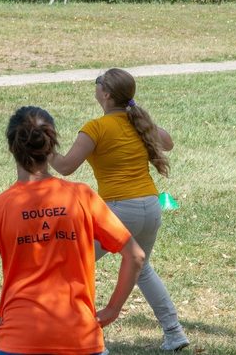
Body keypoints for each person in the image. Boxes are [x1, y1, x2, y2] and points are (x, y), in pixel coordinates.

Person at [0, 106, 145, 355]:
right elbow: (135, 255)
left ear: (12, 148)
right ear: (52, 145)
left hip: (19, 340)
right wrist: (112, 309)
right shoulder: (82, 196)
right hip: (79, 338)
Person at [50, 68, 190, 352]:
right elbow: (169, 142)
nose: (96, 86)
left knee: (72, 264)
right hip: (150, 207)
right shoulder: (138, 122)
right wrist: (146, 121)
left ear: (107, 94)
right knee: (142, 270)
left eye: (98, 82)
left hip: (118, 212)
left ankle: (84, 337)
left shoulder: (95, 128)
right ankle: (174, 332)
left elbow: (64, 166)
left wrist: (42, 147)